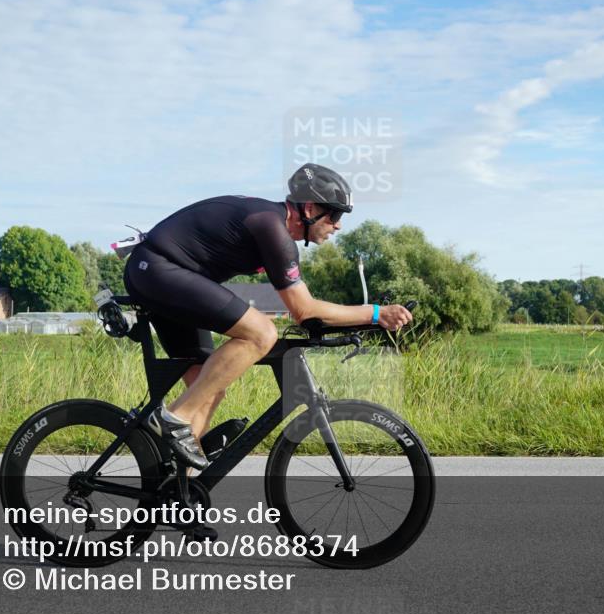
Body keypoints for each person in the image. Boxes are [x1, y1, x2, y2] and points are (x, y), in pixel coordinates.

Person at [123, 163, 413, 476]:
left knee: (208, 386)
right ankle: (173, 419)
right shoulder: (271, 227)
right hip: (158, 270)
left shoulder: (274, 226)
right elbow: (305, 310)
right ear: (310, 208)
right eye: (335, 215)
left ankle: (176, 494)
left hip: (168, 276)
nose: (338, 226)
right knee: (262, 333)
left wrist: (363, 320)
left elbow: (306, 310)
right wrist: (375, 313)